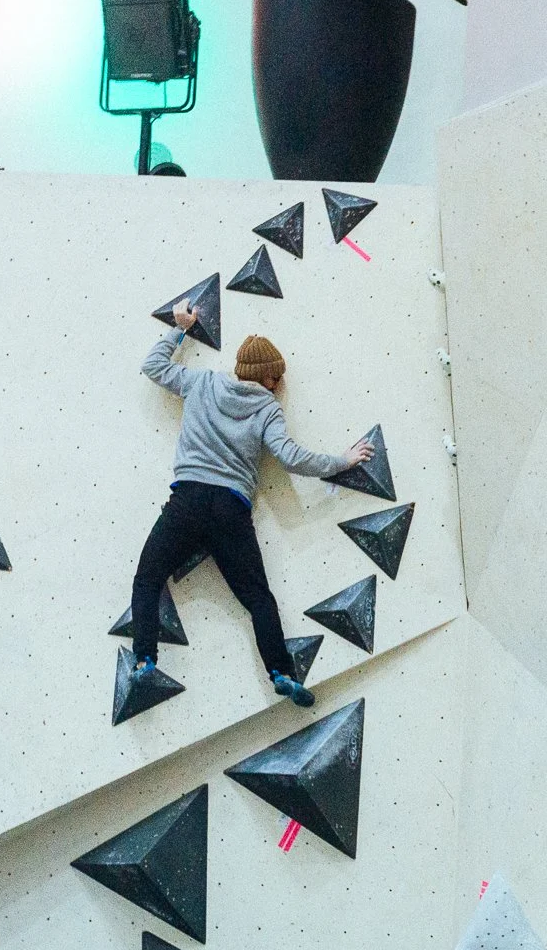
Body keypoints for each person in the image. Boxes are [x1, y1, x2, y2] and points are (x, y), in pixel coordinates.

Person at [128, 301, 374, 709]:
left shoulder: (202, 383)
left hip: (186, 501)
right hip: (231, 510)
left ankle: (145, 661)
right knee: (258, 597)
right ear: (271, 376)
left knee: (148, 578)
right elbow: (293, 458)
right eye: (278, 376)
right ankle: (281, 672)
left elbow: (152, 366)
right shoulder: (266, 409)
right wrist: (343, 460)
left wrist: (181, 328)